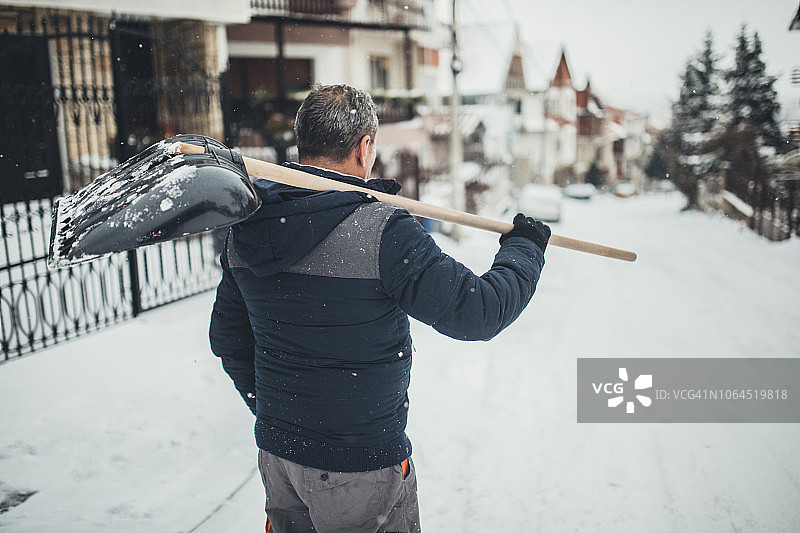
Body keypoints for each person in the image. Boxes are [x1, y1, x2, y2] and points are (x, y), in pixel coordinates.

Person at [209, 84, 550, 533]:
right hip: (359, 467)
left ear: (303, 141)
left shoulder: (247, 229)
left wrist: (277, 409)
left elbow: (228, 339)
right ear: (365, 146)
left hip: (278, 458)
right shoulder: (381, 232)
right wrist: (525, 248)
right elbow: (477, 311)